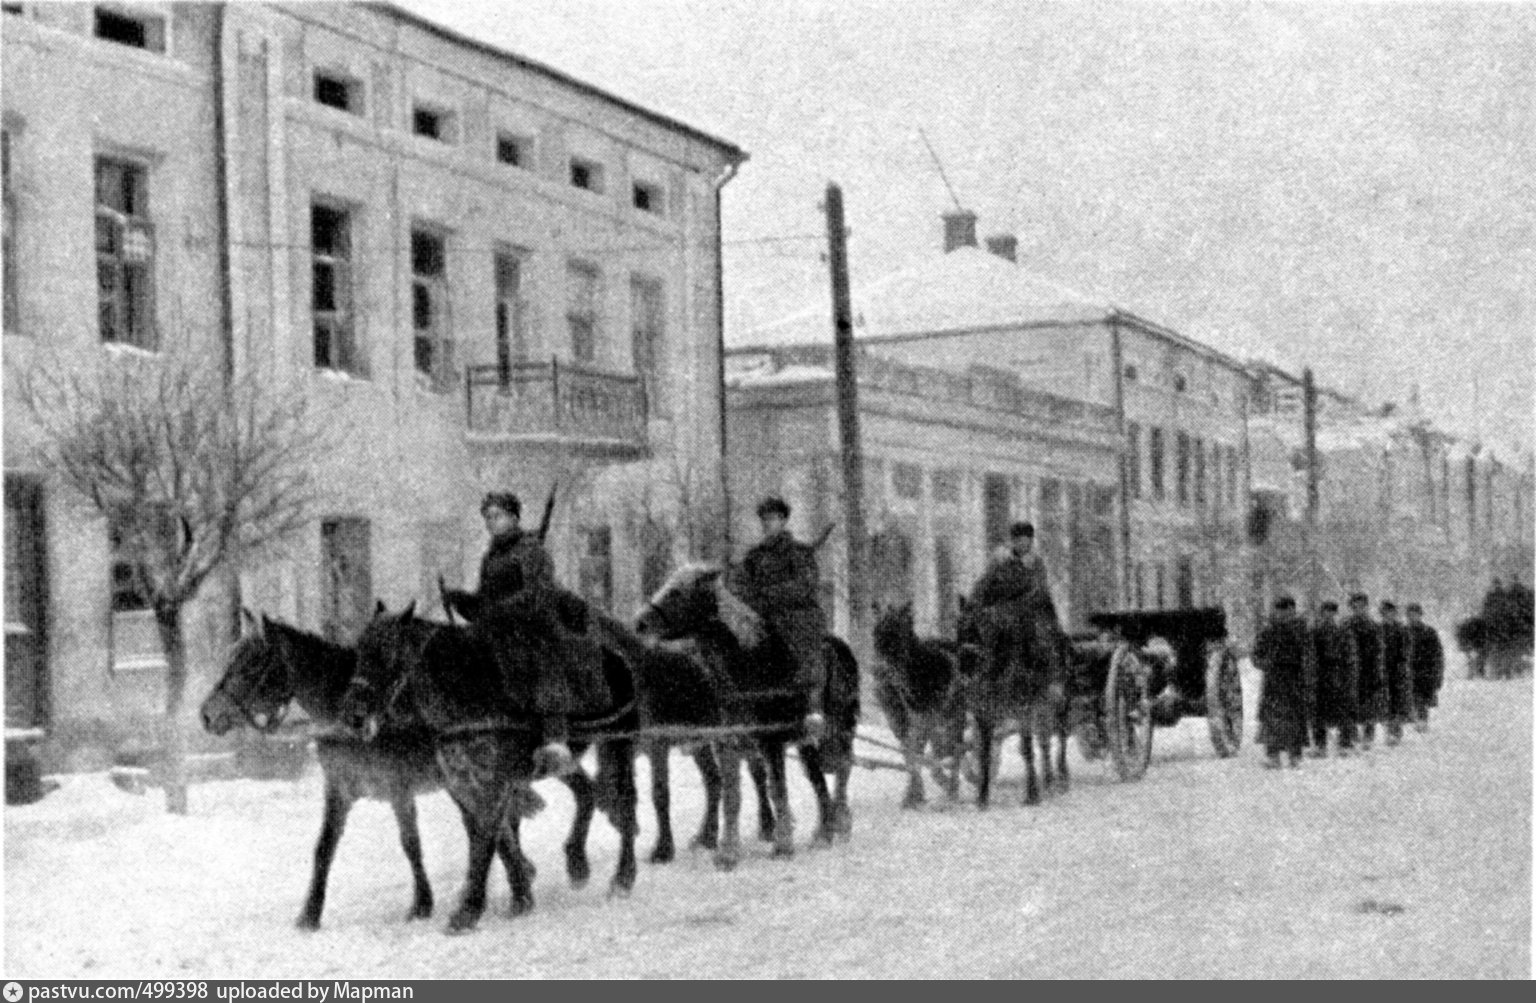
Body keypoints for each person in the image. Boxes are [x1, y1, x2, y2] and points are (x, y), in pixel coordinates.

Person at [443, 492, 581, 777]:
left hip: (534, 628)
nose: (491, 523)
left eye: (497, 516)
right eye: (487, 518)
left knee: (542, 662)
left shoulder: (531, 550)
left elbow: (539, 593)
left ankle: (555, 738)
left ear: (514, 517)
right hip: (499, 630)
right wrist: (460, 600)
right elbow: (483, 607)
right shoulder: (490, 557)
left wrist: (500, 609)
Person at [735, 496, 828, 740]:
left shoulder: (799, 552)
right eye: (764, 519)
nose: (767, 523)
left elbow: (805, 586)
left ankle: (811, 706)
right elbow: (742, 585)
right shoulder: (754, 556)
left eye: (773, 519)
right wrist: (749, 600)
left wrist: (766, 595)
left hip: (796, 616)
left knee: (800, 644)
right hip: (762, 617)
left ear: (784, 521)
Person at [1254, 596, 1313, 768]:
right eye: (1279, 610)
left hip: (1295, 680)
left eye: (1286, 610)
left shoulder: (1301, 630)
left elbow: (1309, 656)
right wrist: (1265, 663)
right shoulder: (1268, 631)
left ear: (1293, 610)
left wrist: (1307, 676)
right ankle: (1273, 756)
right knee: (1272, 720)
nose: (1283, 614)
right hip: (1273, 681)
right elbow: (1256, 654)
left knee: (1295, 719)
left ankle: (1295, 755)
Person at [1310, 600, 1361, 757]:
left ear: (1335, 614)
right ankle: (1320, 746)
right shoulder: (1314, 632)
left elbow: (1350, 656)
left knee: (1343, 711)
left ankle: (1345, 744)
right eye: (1326, 611)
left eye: (1331, 612)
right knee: (1318, 712)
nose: (1328, 615)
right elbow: (1310, 655)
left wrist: (1350, 675)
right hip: (1321, 676)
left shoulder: (1343, 632)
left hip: (1339, 676)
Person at [1343, 592, 1386, 750]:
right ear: (1352, 607)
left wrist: (1379, 670)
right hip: (1350, 670)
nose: (1359, 609)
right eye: (1355, 606)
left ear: (1366, 607)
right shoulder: (1346, 625)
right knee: (1350, 704)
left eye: (1362, 606)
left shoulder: (1373, 626)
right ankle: (1352, 735)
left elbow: (1379, 650)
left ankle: (1368, 736)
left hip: (1369, 670)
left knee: (1369, 705)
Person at [1404, 603, 1445, 732]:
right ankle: (1410, 721)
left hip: (1425, 671)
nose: (1412, 617)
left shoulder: (1429, 632)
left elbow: (1437, 654)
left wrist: (1437, 673)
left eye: (1415, 614)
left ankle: (1422, 721)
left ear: (1420, 615)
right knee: (1409, 697)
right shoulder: (1403, 632)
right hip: (1407, 670)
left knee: (1422, 698)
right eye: (1410, 615)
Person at [1379, 600, 1412, 745]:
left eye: (1391, 613)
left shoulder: (1401, 629)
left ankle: (1396, 731)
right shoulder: (1378, 629)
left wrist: (1402, 664)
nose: (1388, 616)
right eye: (1385, 613)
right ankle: (1389, 731)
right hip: (1382, 669)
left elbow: (1406, 649)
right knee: (1385, 701)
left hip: (1398, 670)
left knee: (1398, 701)